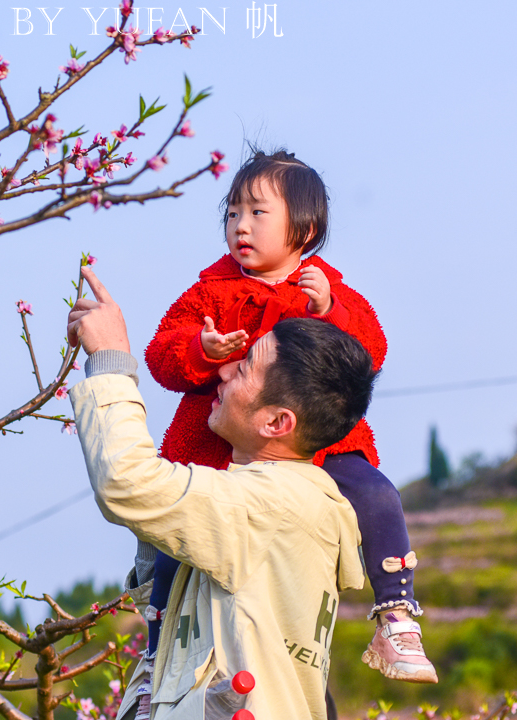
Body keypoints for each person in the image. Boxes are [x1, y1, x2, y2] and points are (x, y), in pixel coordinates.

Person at [142, 149, 436, 686]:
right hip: (218, 451)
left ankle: (396, 613)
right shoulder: (210, 293)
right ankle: (155, 654)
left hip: (316, 446)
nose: (240, 226)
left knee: (376, 496)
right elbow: (162, 353)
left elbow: (368, 355)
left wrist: (331, 313)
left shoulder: (327, 290)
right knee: (176, 548)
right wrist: (202, 349)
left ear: (305, 228)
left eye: (257, 212)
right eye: (232, 213)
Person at [66, 267, 373, 720]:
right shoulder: (297, 504)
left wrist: (112, 358)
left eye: (246, 367)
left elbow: (126, 481)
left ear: (277, 422)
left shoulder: (267, 506)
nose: (224, 372)